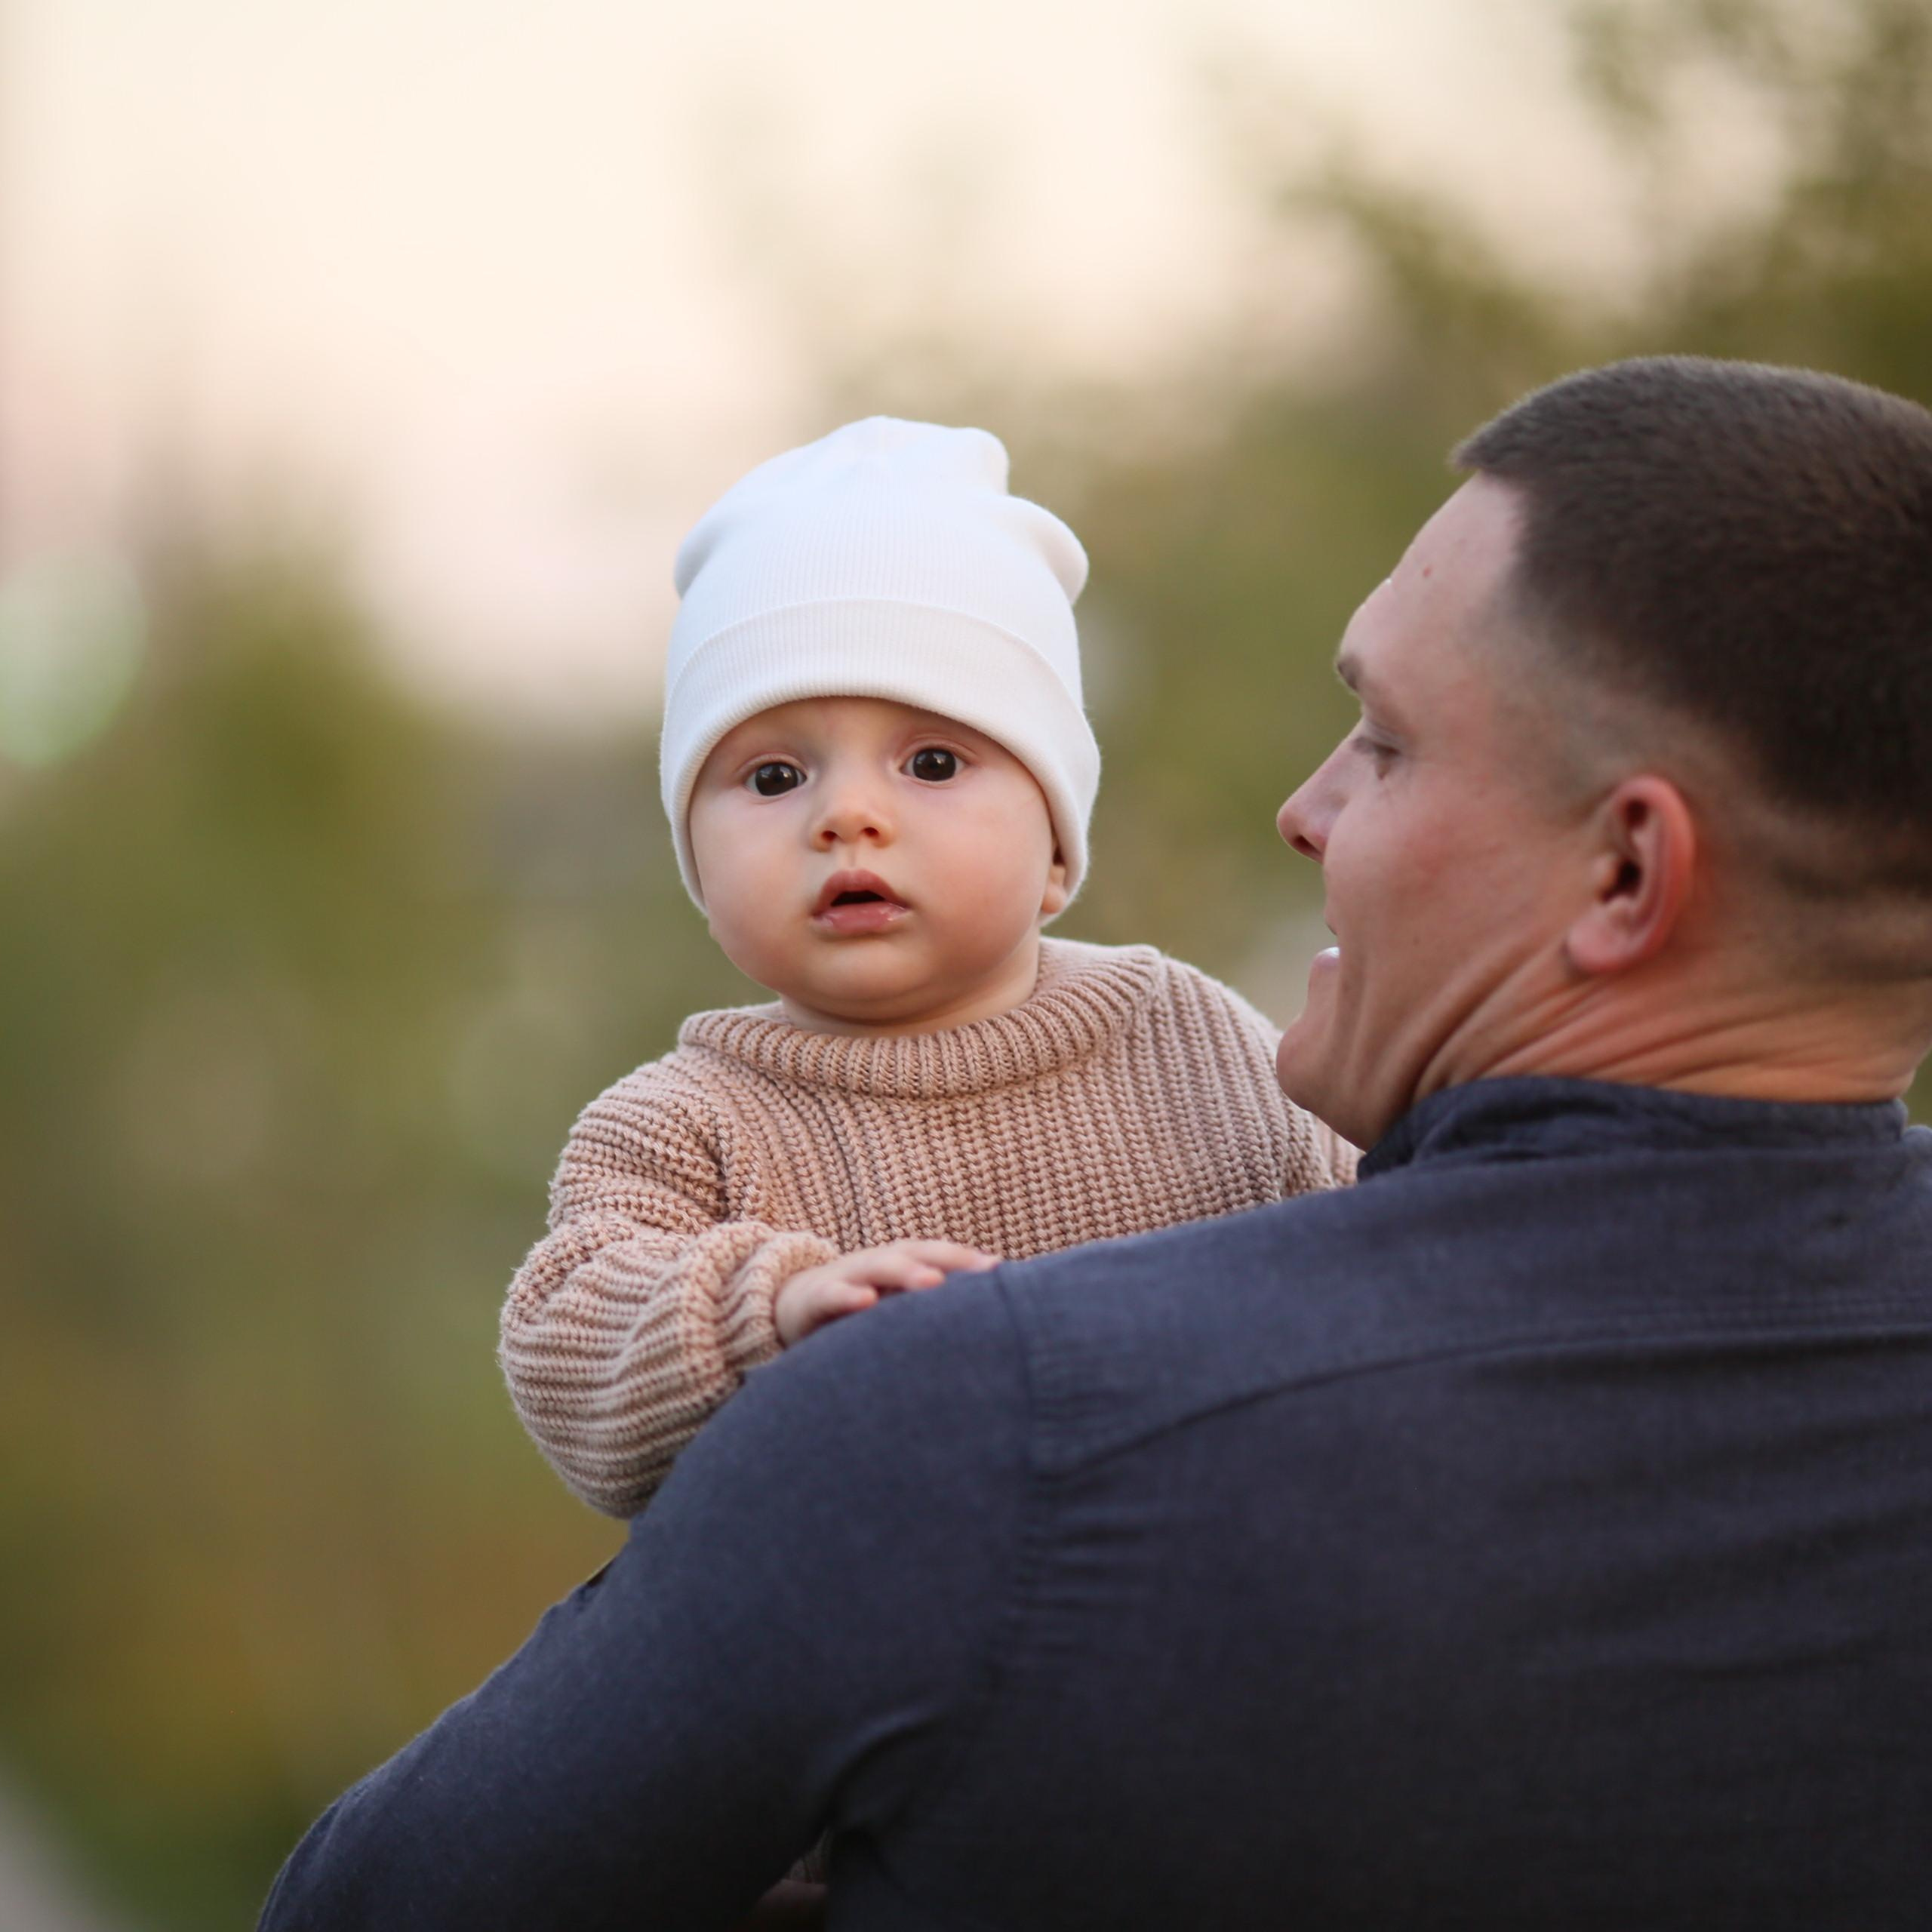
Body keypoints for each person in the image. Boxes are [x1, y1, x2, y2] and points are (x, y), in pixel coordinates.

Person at [260, 358, 1932, 1931]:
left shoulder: (934, 1428)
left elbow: (375, 1903)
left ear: (1628, 871)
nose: (1303, 810)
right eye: (769, 776)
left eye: (1385, 743)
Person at [500, 415, 1352, 1521]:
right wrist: (773, 1310)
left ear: (1057, 850)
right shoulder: (682, 1124)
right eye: (772, 778)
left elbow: (1370, 1252)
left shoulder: (1189, 1036)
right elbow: (565, 1341)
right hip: (865, 1614)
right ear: (697, 867)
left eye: (935, 761)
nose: (848, 813)